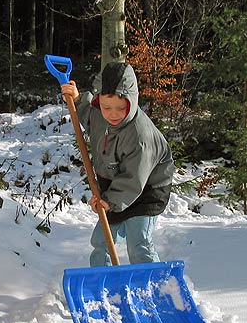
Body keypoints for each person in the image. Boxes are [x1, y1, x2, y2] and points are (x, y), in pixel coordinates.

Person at [60, 62, 175, 267]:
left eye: (121, 108)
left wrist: (110, 201)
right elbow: (87, 114)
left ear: (132, 101)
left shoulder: (140, 135)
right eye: (106, 107)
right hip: (115, 186)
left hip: (147, 188)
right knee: (101, 241)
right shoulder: (100, 114)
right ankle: (102, 280)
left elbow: (134, 178)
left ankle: (155, 285)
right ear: (99, 101)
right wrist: (76, 99)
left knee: (138, 242)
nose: (113, 114)